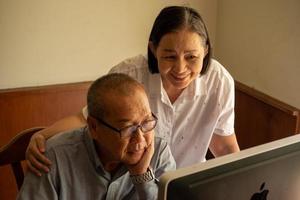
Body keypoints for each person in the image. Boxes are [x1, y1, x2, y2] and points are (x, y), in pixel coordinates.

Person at [26, 6, 239, 176]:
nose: (181, 69)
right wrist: (42, 135)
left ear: (206, 50)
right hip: (130, 185)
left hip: (185, 185)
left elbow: (224, 147)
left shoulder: (220, 82)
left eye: (192, 57)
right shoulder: (128, 74)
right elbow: (87, 119)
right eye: (169, 56)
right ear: (154, 49)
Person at [17, 73, 176, 200]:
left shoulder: (159, 153)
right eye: (128, 128)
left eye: (147, 122)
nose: (140, 140)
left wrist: (142, 177)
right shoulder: (54, 158)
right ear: (94, 127)